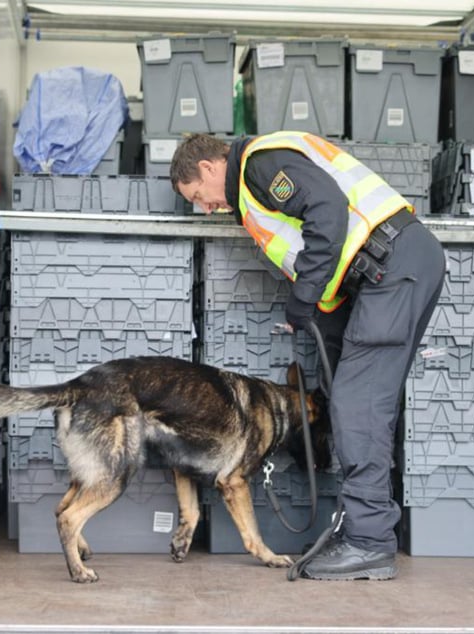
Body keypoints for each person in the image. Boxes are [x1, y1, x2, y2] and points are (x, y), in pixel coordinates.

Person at [171, 132, 446, 581]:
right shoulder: (250, 187)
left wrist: (305, 292)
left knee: (359, 406)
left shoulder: (259, 165)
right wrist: (322, 312)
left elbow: (327, 210)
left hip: (392, 266)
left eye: (199, 197)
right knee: (354, 401)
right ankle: (363, 528)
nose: (206, 208)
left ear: (207, 168)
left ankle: (370, 542)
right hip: (388, 269)